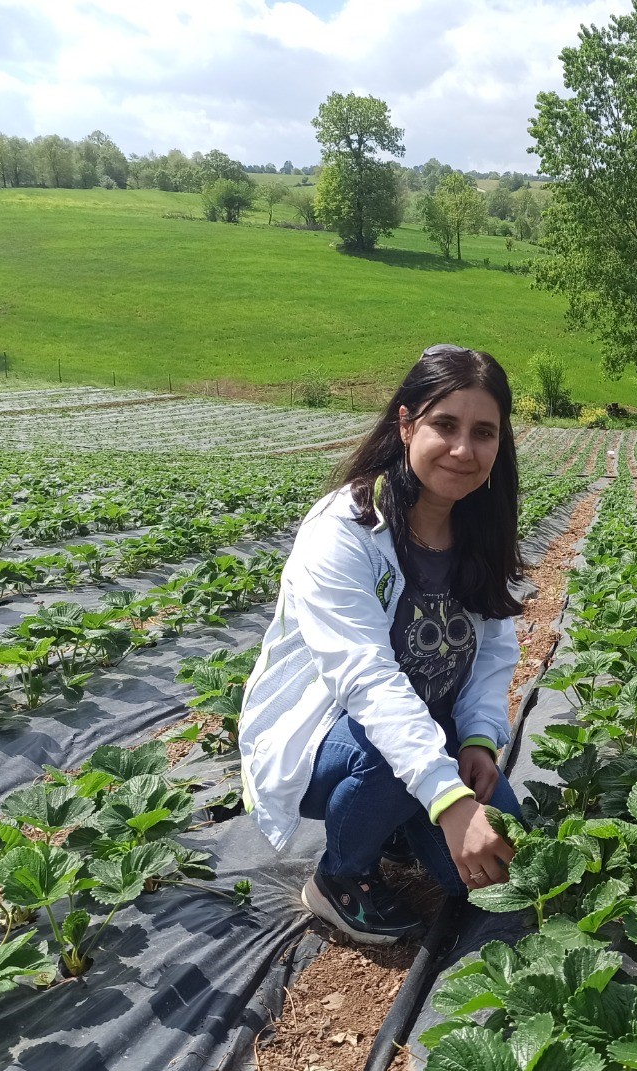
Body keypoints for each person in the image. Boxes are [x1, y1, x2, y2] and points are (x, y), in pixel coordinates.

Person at [240, 344, 525, 944]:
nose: (463, 450)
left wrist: (477, 739)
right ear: (405, 424)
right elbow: (367, 682)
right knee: (388, 761)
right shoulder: (344, 532)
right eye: (444, 425)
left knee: (499, 875)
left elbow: (495, 651)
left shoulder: (480, 529)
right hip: (336, 734)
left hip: (430, 733)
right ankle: (340, 877)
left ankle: (400, 823)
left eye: (483, 432)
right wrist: (449, 801)